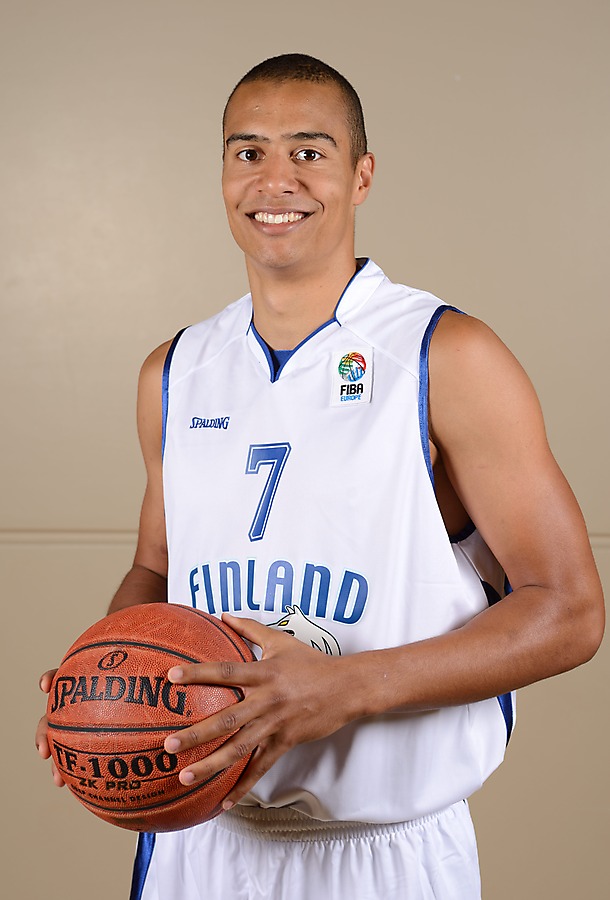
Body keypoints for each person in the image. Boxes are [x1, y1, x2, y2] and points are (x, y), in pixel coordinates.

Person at [37, 53, 604, 900]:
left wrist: (344, 687)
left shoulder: (445, 355)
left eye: (309, 151)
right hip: (201, 844)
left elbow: (570, 611)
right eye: (249, 152)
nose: (276, 180)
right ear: (222, 174)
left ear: (361, 175)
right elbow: (154, 570)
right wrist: (106, 682)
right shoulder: (174, 371)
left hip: (382, 854)